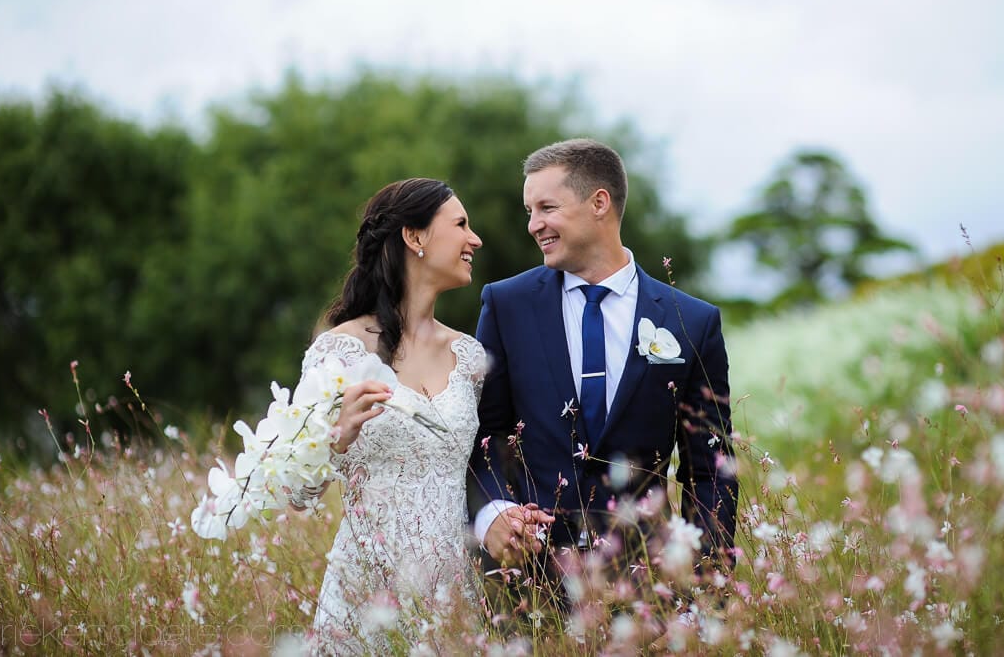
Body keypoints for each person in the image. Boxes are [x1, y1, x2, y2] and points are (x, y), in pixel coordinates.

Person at [469, 138, 737, 581]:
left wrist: (705, 579)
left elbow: (709, 470)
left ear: (599, 203)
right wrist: (494, 512)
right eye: (529, 211)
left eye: (547, 208)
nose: (534, 225)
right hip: (529, 581)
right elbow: (484, 435)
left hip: (647, 584)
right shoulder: (506, 305)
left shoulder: (691, 321)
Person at [291, 178, 486, 654]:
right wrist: (336, 437)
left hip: (451, 597)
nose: (475, 239)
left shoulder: (472, 357)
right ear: (415, 238)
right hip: (362, 595)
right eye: (461, 225)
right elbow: (296, 492)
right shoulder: (336, 351)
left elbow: (484, 472)